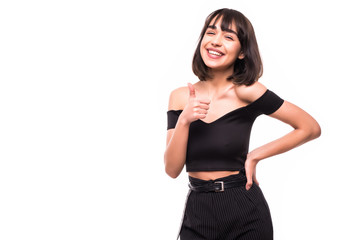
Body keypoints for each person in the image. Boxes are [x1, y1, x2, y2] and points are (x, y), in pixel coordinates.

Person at [164, 8, 321, 240]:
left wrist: (255, 155)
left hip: (244, 208)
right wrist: (185, 120)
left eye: (228, 37)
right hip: (198, 211)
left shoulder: (248, 91)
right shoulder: (179, 97)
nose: (216, 42)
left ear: (241, 52)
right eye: (211, 33)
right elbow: (172, 169)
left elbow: (309, 127)